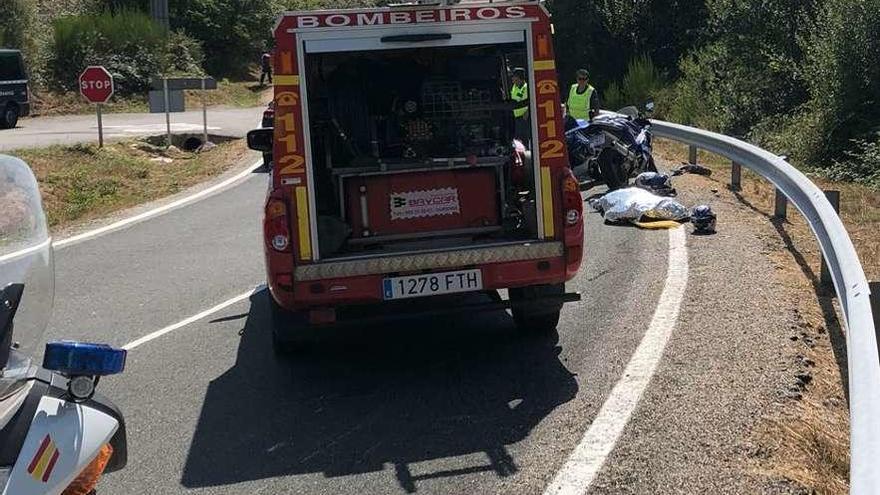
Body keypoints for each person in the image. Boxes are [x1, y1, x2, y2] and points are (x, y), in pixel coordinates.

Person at [510, 68, 530, 143]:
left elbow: (530, 101)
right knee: (518, 139)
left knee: (524, 139)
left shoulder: (526, 88)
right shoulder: (514, 87)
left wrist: (528, 112)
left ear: (519, 78)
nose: (512, 78)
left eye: (514, 76)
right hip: (516, 117)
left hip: (524, 117)